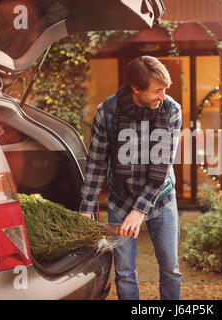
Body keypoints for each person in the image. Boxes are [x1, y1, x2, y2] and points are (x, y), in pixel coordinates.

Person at [80, 56, 182, 300]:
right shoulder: (108, 111)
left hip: (161, 199)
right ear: (136, 88)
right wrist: (87, 208)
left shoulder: (171, 110)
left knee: (171, 269)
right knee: (124, 272)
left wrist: (139, 211)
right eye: (158, 90)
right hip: (121, 200)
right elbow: (97, 163)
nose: (163, 96)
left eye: (165, 89)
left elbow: (161, 167)